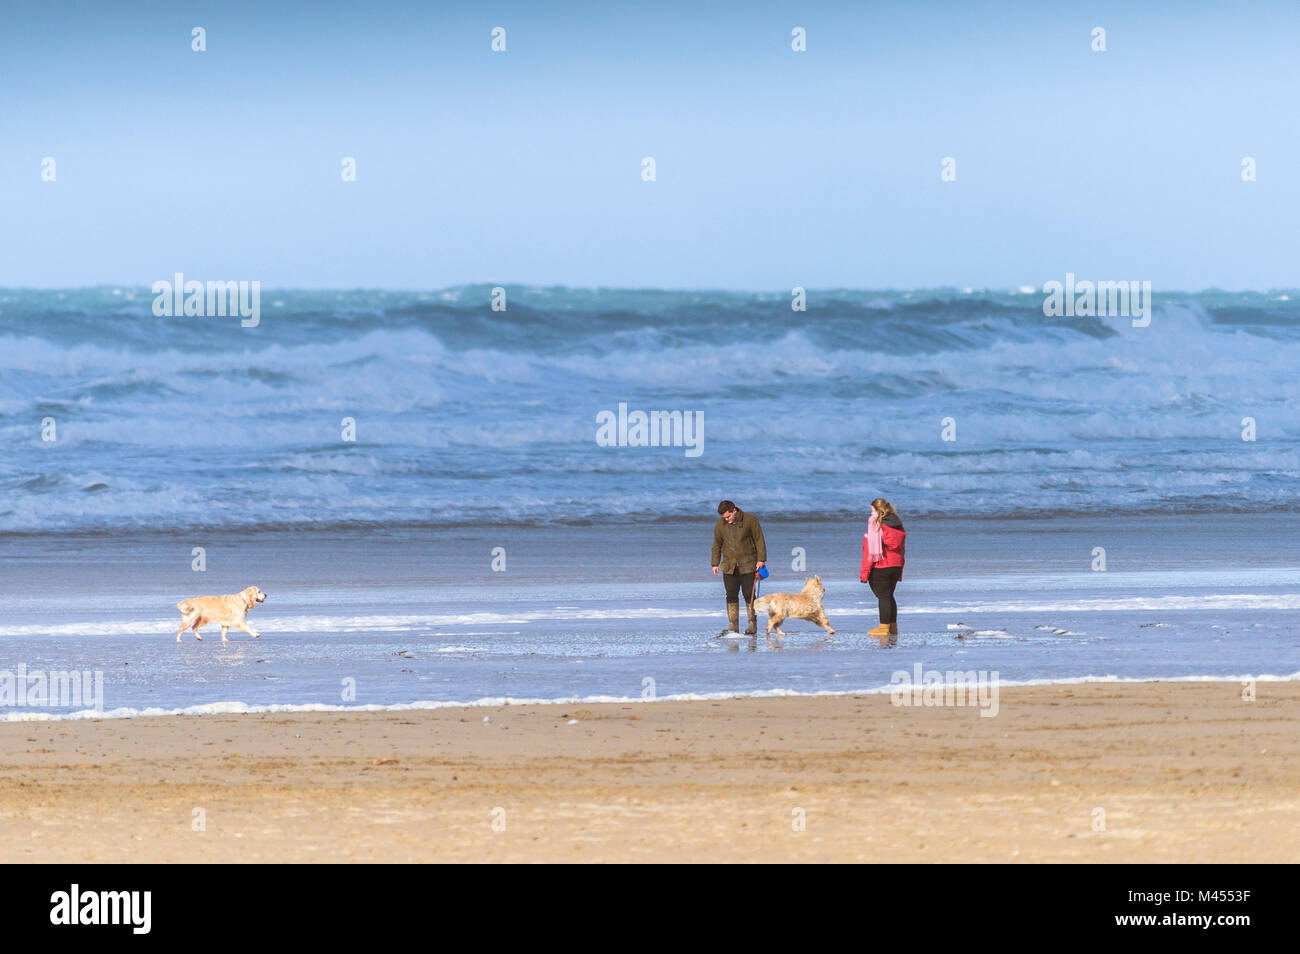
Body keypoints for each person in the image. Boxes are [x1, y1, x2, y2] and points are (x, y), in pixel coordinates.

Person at [710, 500, 767, 636]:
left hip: (748, 564)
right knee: (731, 595)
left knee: (749, 595)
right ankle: (733, 626)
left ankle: (752, 624)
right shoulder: (720, 525)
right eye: (724, 518)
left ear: (734, 510)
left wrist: (761, 559)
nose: (727, 520)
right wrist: (714, 563)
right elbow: (717, 544)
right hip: (729, 566)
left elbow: (759, 539)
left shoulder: (750, 520)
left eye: (728, 516)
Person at [860, 498, 905, 645]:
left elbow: (869, 552)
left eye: (872, 510)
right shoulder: (898, 525)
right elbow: (901, 548)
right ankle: (892, 626)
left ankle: (883, 627)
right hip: (896, 564)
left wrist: (864, 574)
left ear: (879, 511)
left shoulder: (876, 526)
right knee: (889, 596)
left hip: (882, 564)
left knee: (883, 596)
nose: (870, 513)